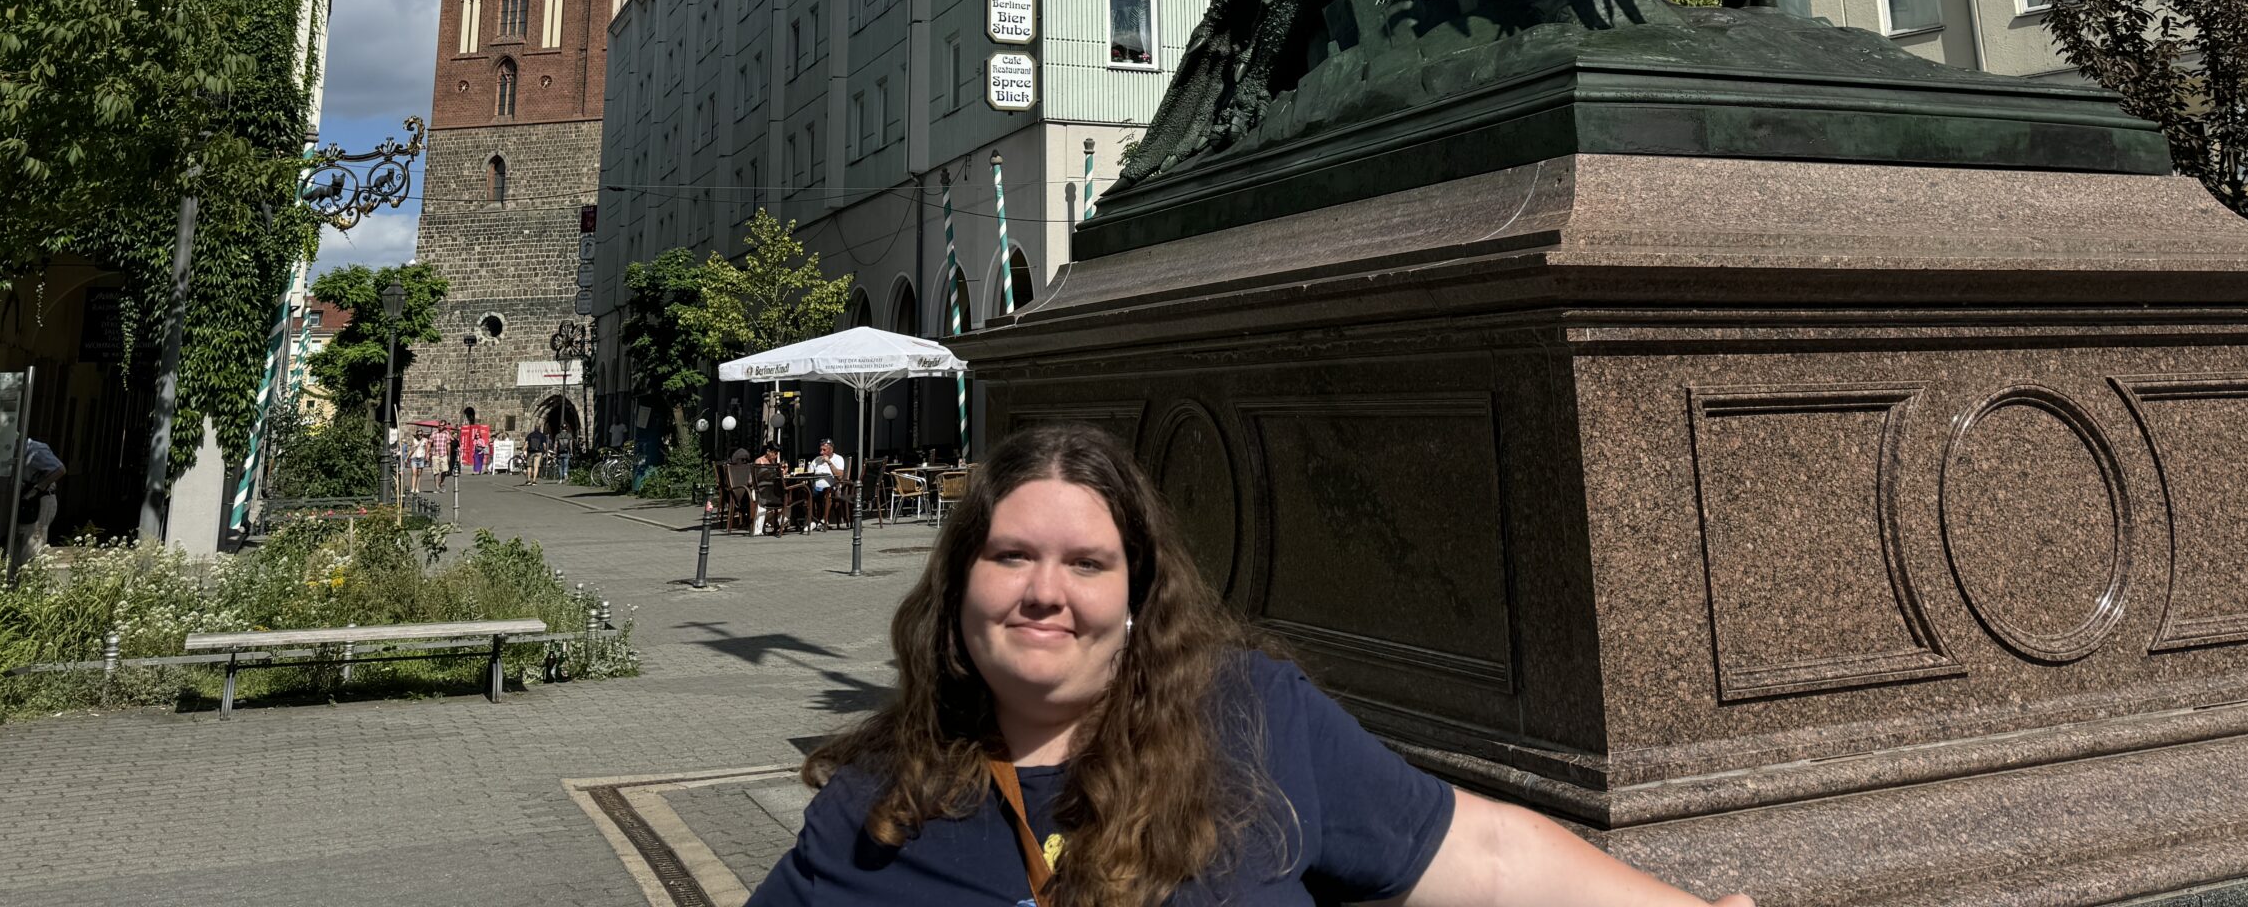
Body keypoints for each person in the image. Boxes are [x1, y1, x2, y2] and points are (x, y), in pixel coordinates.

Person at [746, 424, 1752, 907]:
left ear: (1137, 596)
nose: (1044, 593)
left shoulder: (1250, 719)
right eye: (1011, 556)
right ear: (959, 585)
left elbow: (1485, 855)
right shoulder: (872, 810)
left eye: (1087, 564)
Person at [807, 439, 847, 530]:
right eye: (821, 449)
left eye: (824, 450)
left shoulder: (838, 459)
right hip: (816, 486)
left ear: (831, 449)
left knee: (827, 492)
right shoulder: (817, 460)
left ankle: (824, 520)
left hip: (831, 486)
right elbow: (809, 472)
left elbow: (840, 476)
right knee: (805, 492)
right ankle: (812, 520)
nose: (821, 452)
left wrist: (829, 462)